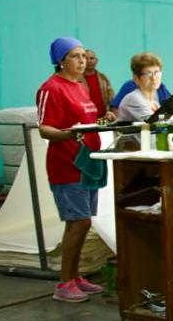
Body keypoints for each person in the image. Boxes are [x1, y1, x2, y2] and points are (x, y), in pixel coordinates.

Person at [36, 38, 107, 303]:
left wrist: (101, 121)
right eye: (75, 56)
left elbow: (85, 120)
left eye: (83, 56)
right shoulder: (51, 88)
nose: (82, 60)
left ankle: (75, 277)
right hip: (67, 165)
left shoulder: (80, 86)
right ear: (61, 60)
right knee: (79, 222)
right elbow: (45, 127)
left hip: (88, 162)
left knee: (81, 222)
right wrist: (69, 135)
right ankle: (64, 284)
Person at [116, 53, 164, 121]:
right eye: (148, 73)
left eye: (156, 72)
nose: (153, 78)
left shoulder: (154, 102)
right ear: (136, 78)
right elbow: (155, 123)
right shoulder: (133, 99)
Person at [81, 49, 114, 119]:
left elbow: (111, 98)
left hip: (104, 118)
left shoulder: (103, 78)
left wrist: (111, 113)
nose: (89, 61)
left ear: (96, 60)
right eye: (86, 58)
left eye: (91, 58)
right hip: (85, 118)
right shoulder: (77, 79)